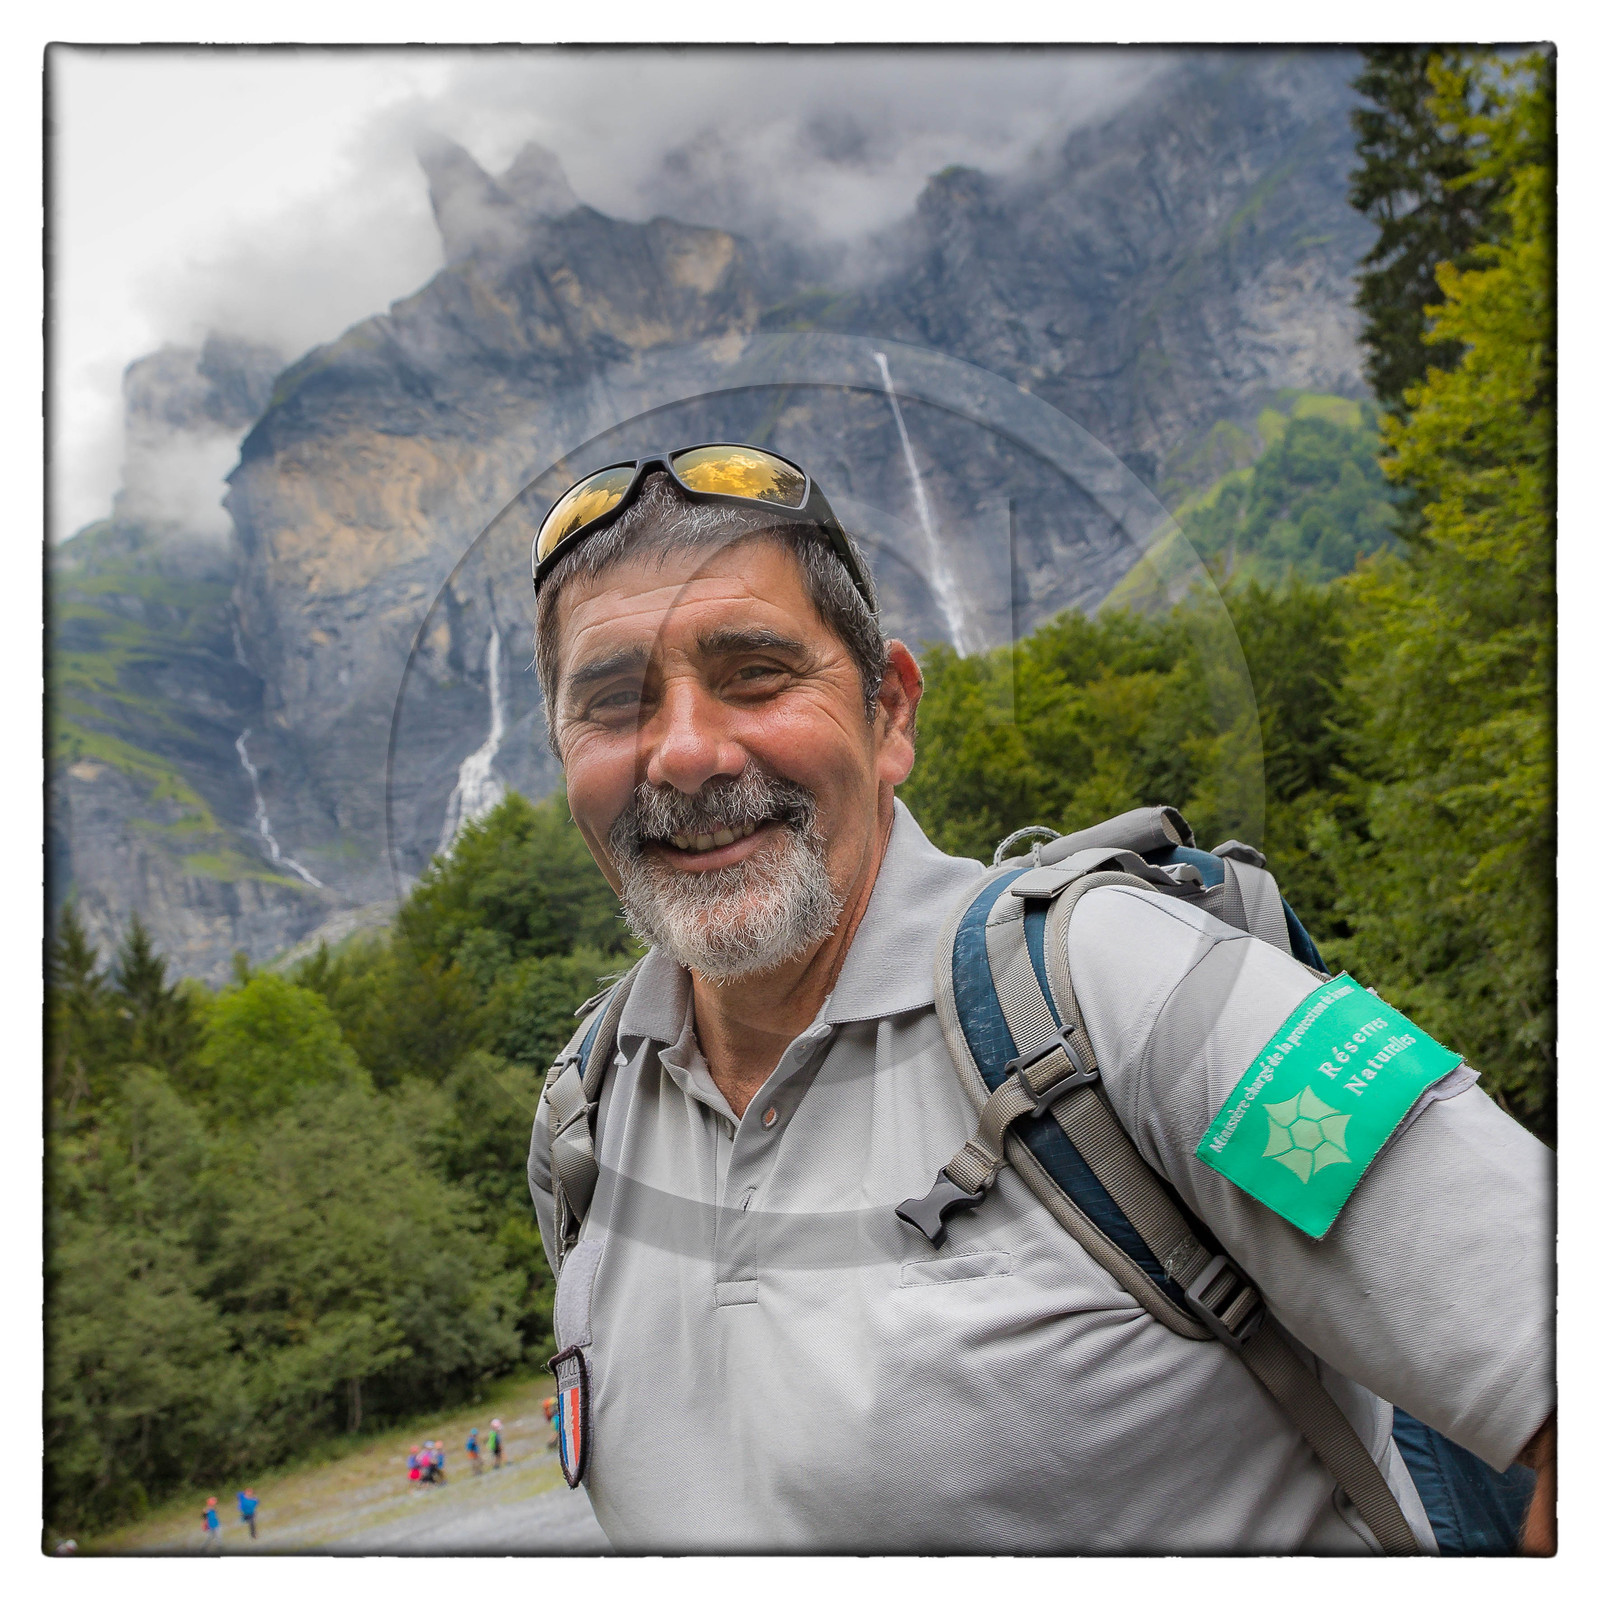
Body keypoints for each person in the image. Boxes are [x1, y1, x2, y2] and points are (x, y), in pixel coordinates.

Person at [524, 445, 1553, 1554]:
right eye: (614, 703)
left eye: (757, 675)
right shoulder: (584, 1119)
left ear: (889, 712)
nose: (684, 753)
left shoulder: (1122, 983)